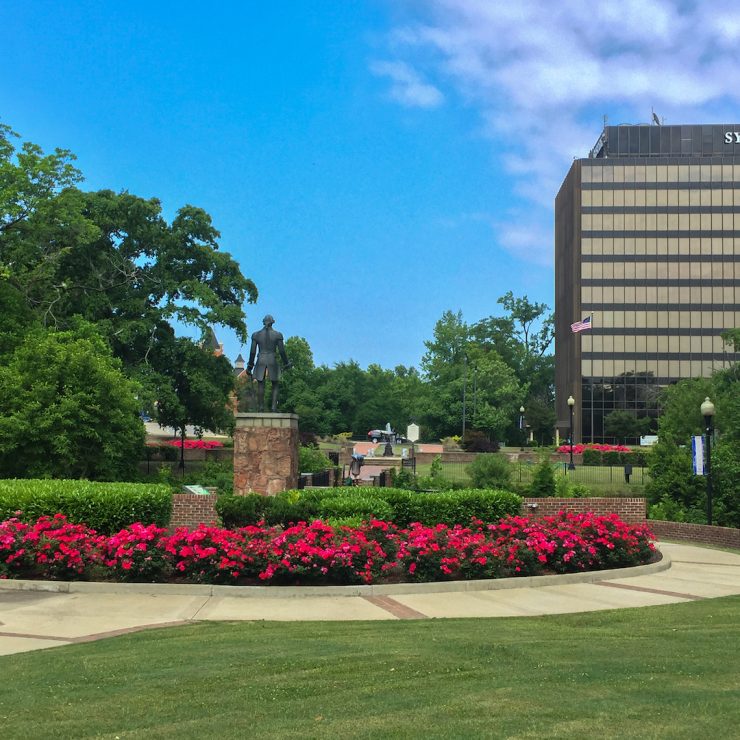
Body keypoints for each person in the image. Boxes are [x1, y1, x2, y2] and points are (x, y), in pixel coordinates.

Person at [246, 315, 291, 412]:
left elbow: (252, 352)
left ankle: (261, 408)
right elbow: (282, 351)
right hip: (272, 359)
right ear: (273, 322)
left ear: (263, 322)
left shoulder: (256, 335)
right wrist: (287, 363)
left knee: (260, 384)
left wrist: (250, 366)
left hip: (261, 359)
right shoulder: (278, 335)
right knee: (275, 384)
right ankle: (273, 408)